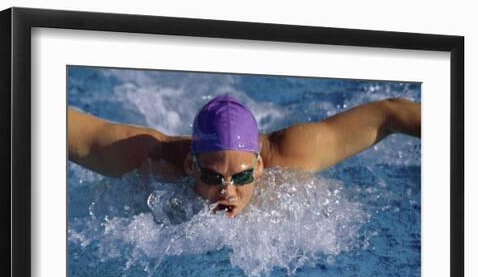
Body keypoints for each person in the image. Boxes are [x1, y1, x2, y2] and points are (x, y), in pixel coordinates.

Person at [68, 94, 421, 218]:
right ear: (191, 166)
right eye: (212, 176)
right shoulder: (149, 158)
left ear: (260, 166)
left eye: (241, 177)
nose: (228, 192)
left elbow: (390, 113)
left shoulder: (294, 153)